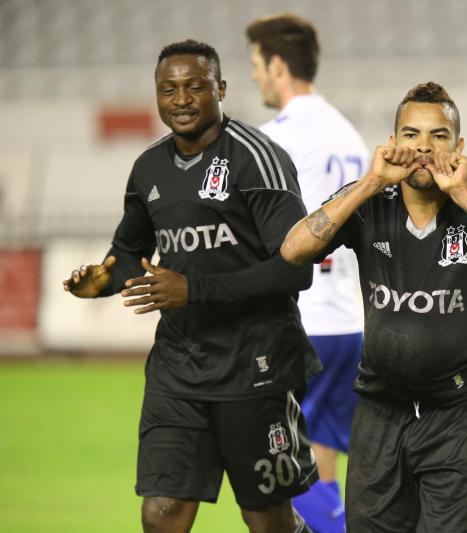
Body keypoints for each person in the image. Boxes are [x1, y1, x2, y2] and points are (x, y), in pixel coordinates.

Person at [62, 39, 318, 533]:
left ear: (220, 89)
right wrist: (103, 280)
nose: (180, 99)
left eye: (194, 86)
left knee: (267, 520)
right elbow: (128, 255)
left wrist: (194, 290)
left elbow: (296, 270)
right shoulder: (148, 169)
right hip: (178, 372)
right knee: (161, 514)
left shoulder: (257, 159)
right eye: (168, 89)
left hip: (256, 367)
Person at [280, 81, 467, 532]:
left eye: (438, 136)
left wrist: (463, 195)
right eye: (411, 135)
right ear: (393, 142)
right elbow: (292, 250)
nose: (423, 147)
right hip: (380, 412)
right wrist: (369, 183)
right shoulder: (368, 203)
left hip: (460, 417)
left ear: (458, 146)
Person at [245, 13, 368, 532]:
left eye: (256, 65)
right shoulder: (348, 133)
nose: (253, 76)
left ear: (277, 65)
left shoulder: (277, 139)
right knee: (320, 470)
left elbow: (255, 236)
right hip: (348, 321)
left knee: (273, 474)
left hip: (301, 324)